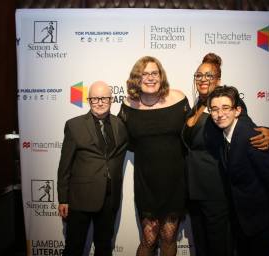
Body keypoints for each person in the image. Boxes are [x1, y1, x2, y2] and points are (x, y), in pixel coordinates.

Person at [181, 53, 269, 256]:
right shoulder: (196, 107)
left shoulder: (226, 105)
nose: (203, 80)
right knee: (201, 247)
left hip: (216, 191)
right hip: (194, 190)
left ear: (218, 79)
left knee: (219, 248)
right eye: (199, 75)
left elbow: (247, 128)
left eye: (209, 76)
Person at [118, 56, 190, 256]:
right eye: (144, 74)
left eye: (154, 73)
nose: (150, 78)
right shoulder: (128, 106)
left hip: (175, 182)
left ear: (161, 76)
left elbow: (193, 135)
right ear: (136, 78)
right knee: (149, 239)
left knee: (168, 237)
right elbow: (122, 140)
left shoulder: (179, 99)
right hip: (146, 183)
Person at [207, 85, 269, 256]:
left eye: (225, 108)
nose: (220, 114)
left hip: (262, 225)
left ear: (237, 111)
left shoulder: (252, 137)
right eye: (214, 109)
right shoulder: (224, 134)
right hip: (243, 223)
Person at [57, 81, 128, 256]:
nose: (100, 102)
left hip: (110, 198)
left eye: (104, 98)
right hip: (80, 198)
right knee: (74, 246)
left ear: (111, 100)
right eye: (95, 98)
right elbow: (64, 165)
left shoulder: (120, 125)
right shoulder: (74, 126)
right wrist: (63, 198)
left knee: (104, 247)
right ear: (89, 100)